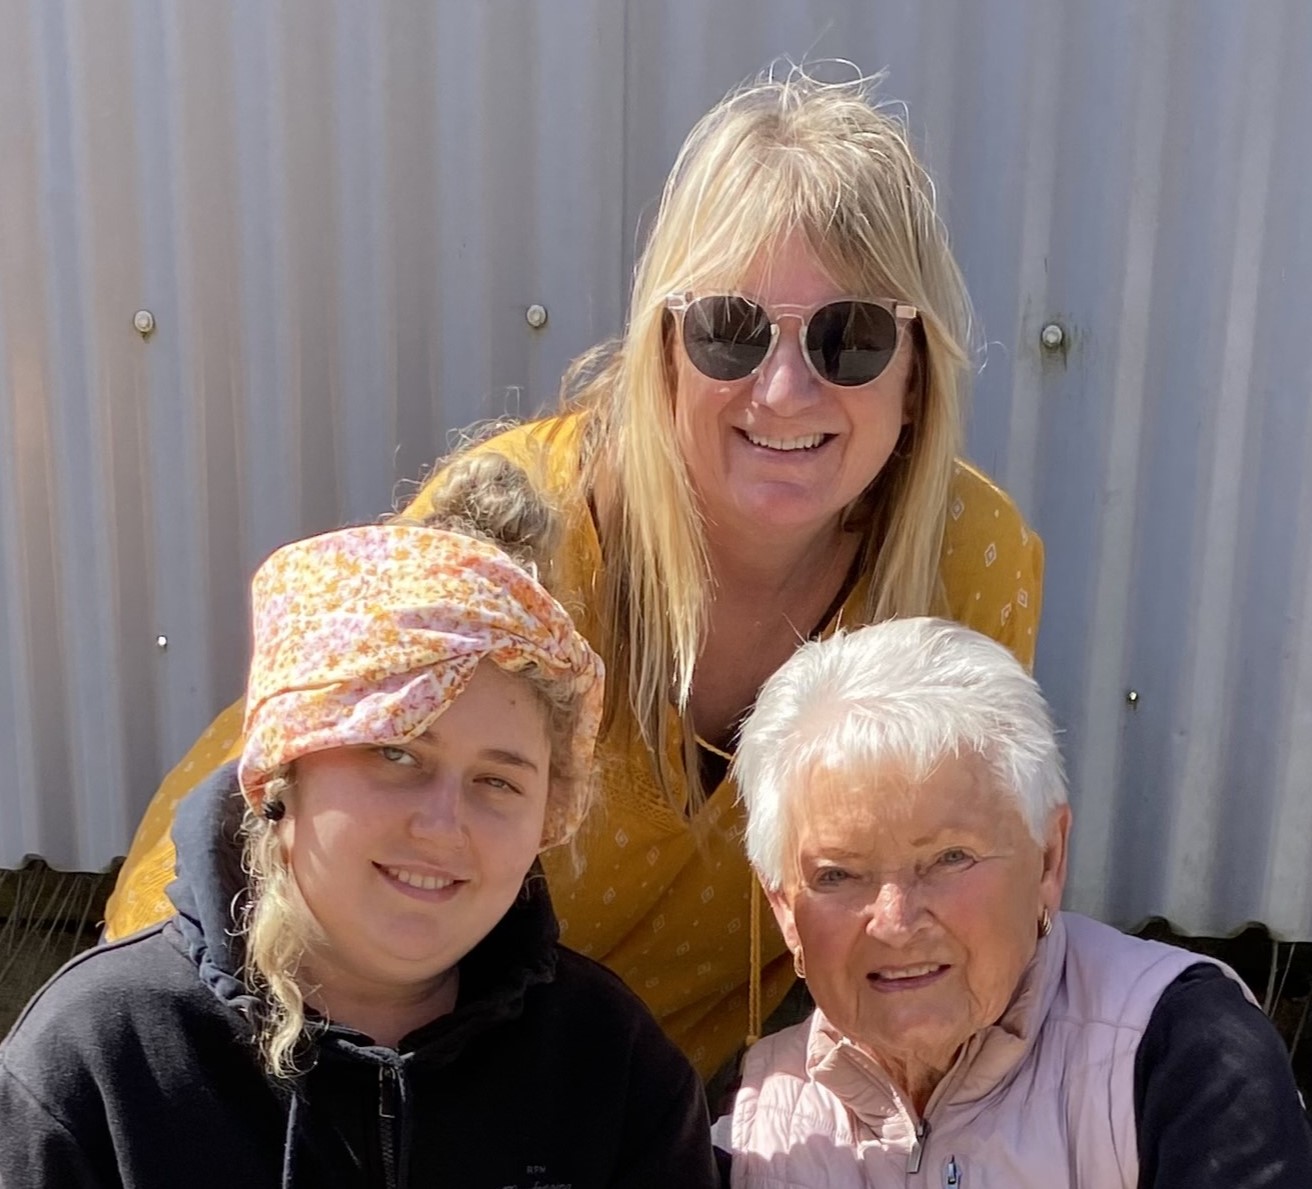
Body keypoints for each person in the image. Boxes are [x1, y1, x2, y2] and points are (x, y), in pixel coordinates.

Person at [104, 67, 1044, 1078]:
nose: (782, 389)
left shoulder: (969, 564)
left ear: (916, 364)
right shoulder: (519, 534)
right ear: (665, 350)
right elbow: (293, 832)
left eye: (849, 337)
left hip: (630, 1118)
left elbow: (963, 910)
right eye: (729, 329)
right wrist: (177, 1073)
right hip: (350, 1069)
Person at [0, 485, 722, 1186]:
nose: (443, 824)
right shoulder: (100, 1066)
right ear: (286, 766)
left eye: (497, 781)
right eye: (397, 753)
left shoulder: (612, 1071)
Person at [717, 617, 1312, 1186]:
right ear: (783, 908)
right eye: (838, 875)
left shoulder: (1178, 1047)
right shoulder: (747, 1123)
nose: (897, 923)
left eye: (949, 858)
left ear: (1048, 858)